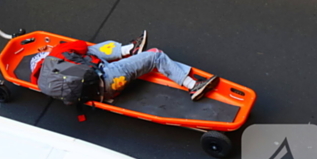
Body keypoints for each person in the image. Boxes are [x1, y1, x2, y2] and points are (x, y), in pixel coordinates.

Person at [30, 31, 219, 103]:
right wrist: (59, 49)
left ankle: (130, 50)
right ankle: (192, 85)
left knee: (90, 53)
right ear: (45, 56)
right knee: (156, 55)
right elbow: (80, 45)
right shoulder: (56, 54)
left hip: (100, 94)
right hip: (111, 76)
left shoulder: (41, 82)